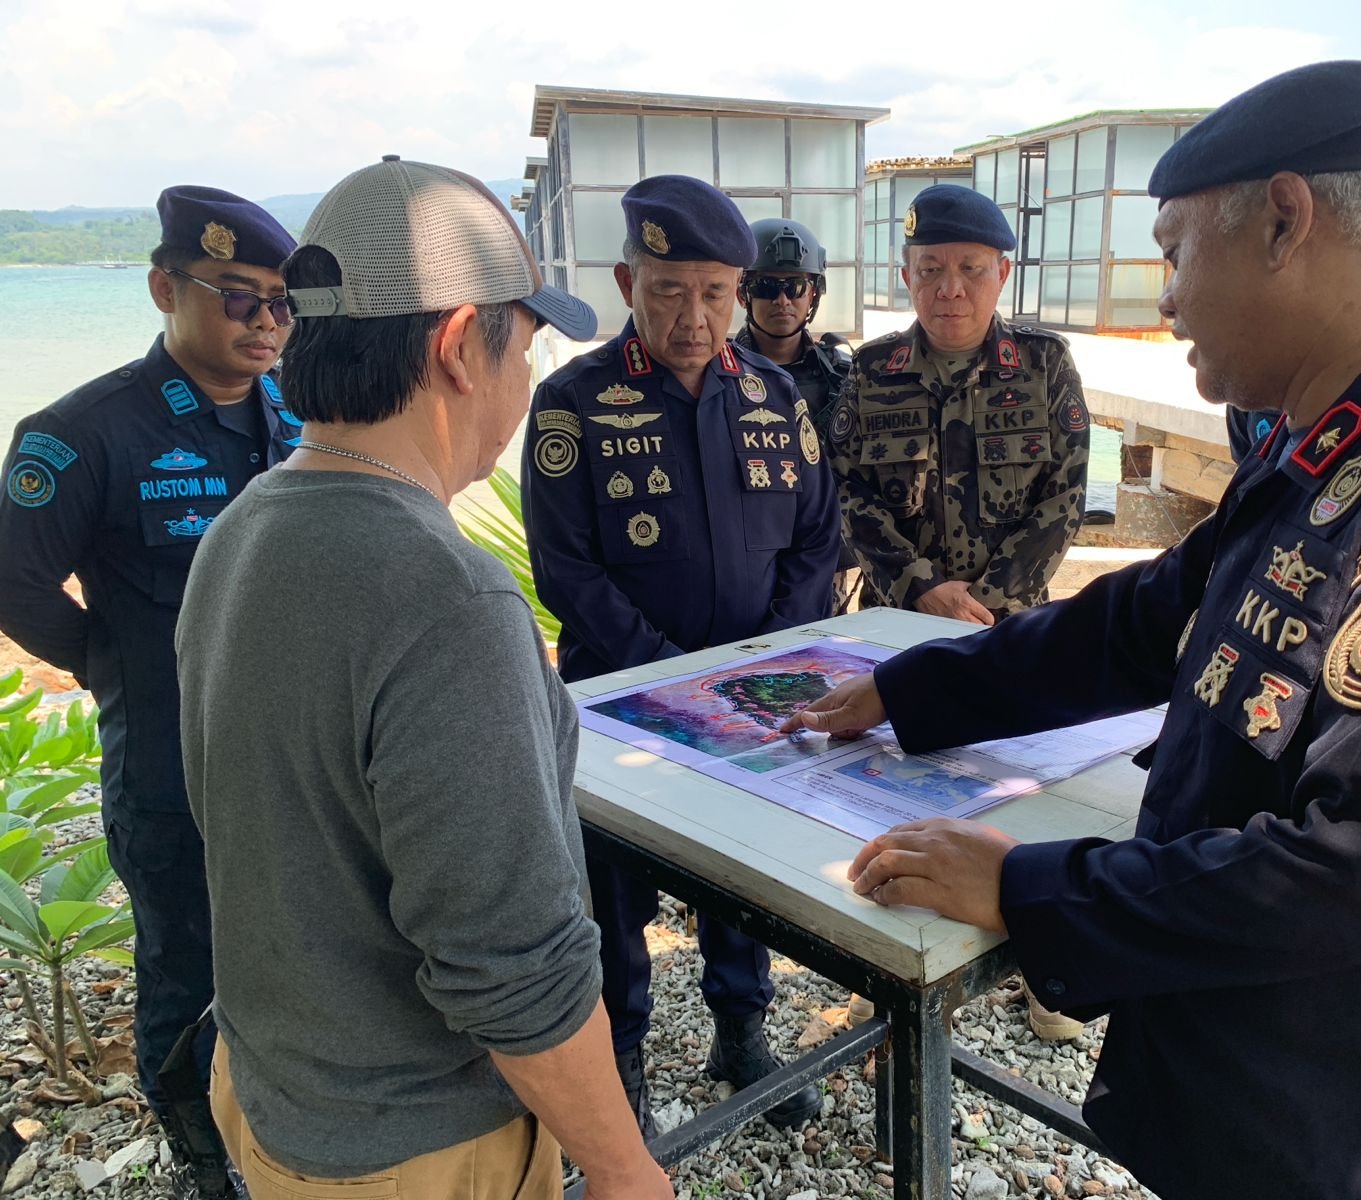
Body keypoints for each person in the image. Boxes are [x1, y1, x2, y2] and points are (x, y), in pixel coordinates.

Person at [782, 61, 1361, 1200]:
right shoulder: (1328, 442)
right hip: (1254, 1082)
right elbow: (1150, 617)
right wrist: (917, 688)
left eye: (1174, 253)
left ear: (1283, 223)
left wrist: (1028, 890)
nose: (1164, 299)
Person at [176, 157, 671, 1200]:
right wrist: (626, 1168)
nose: (523, 381)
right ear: (455, 349)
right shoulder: (449, 597)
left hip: (275, 1091)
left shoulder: (242, 527)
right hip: (420, 1146)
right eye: (520, 349)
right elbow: (514, 968)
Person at [522, 174, 836, 1138]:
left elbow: (816, 542)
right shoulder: (574, 402)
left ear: (738, 291)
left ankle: (741, 1032)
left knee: (740, 871)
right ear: (627, 283)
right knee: (613, 897)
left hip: (754, 698)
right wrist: (672, 678)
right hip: (624, 705)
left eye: (715, 293)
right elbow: (566, 569)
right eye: (669, 292)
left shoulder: (776, 395)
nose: (694, 319)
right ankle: (620, 1066)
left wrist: (764, 666)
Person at [0, 186, 299, 1185]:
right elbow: (15, 581)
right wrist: (113, 662)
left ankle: (285, 1126)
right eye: (239, 295)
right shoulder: (84, 432)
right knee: (186, 968)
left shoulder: (299, 418)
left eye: (282, 302)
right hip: (174, 771)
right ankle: (201, 1153)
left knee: (300, 951)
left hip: (298, 762)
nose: (265, 321)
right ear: (165, 288)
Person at [829, 183, 1092, 1040]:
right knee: (891, 791)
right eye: (932, 269)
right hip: (897, 628)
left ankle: (1043, 973)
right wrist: (918, 588)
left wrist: (990, 606)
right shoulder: (871, 372)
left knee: (1019, 794)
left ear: (1001, 274)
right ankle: (890, 969)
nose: (951, 289)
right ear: (906, 274)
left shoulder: (1044, 366)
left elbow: (1063, 498)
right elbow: (851, 494)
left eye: (971, 269)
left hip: (1010, 632)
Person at [732, 217, 857, 612]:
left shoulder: (845, 378)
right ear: (743, 294)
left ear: (813, 294)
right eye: (767, 287)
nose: (782, 301)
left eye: (796, 287)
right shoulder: (714, 376)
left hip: (823, 559)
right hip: (743, 556)